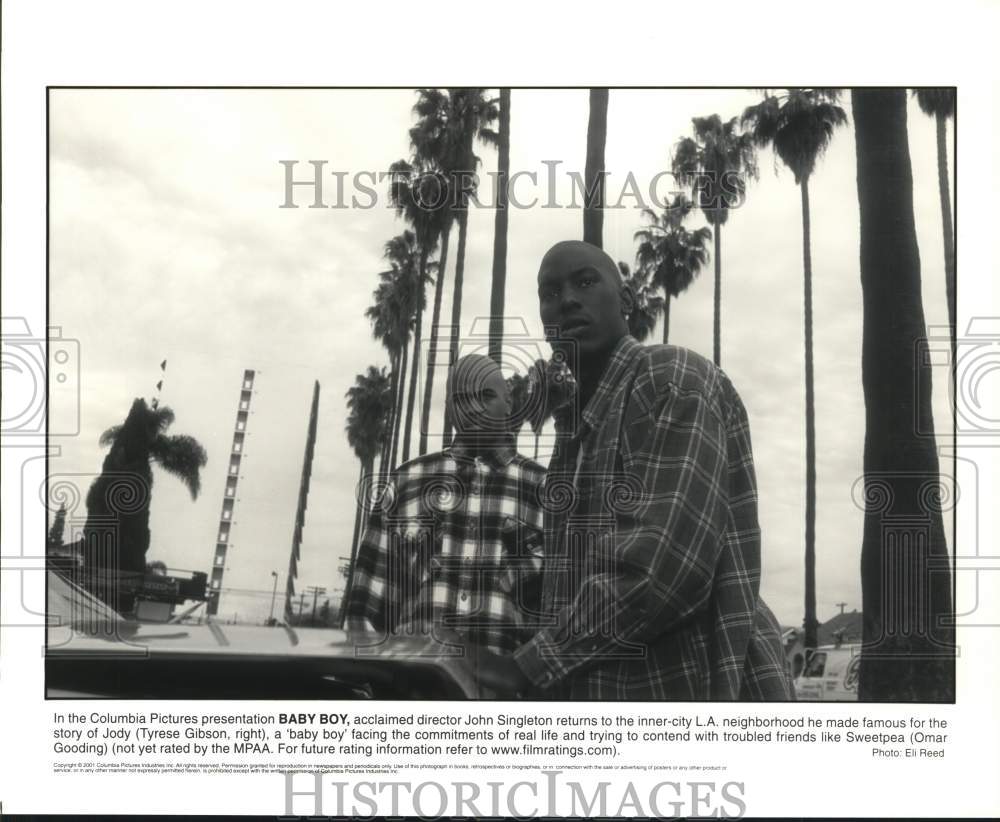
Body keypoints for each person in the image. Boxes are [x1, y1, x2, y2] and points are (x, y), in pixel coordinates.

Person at [466, 240, 794, 699]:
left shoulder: (670, 378)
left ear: (625, 301)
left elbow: (662, 566)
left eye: (585, 281)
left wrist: (527, 667)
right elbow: (581, 576)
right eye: (549, 292)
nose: (567, 300)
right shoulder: (576, 433)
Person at [345, 354, 546, 657]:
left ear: (509, 403)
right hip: (411, 693)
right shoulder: (405, 485)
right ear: (450, 409)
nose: (474, 407)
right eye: (462, 398)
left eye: (486, 395)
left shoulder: (545, 490)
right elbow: (365, 614)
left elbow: (564, 615)